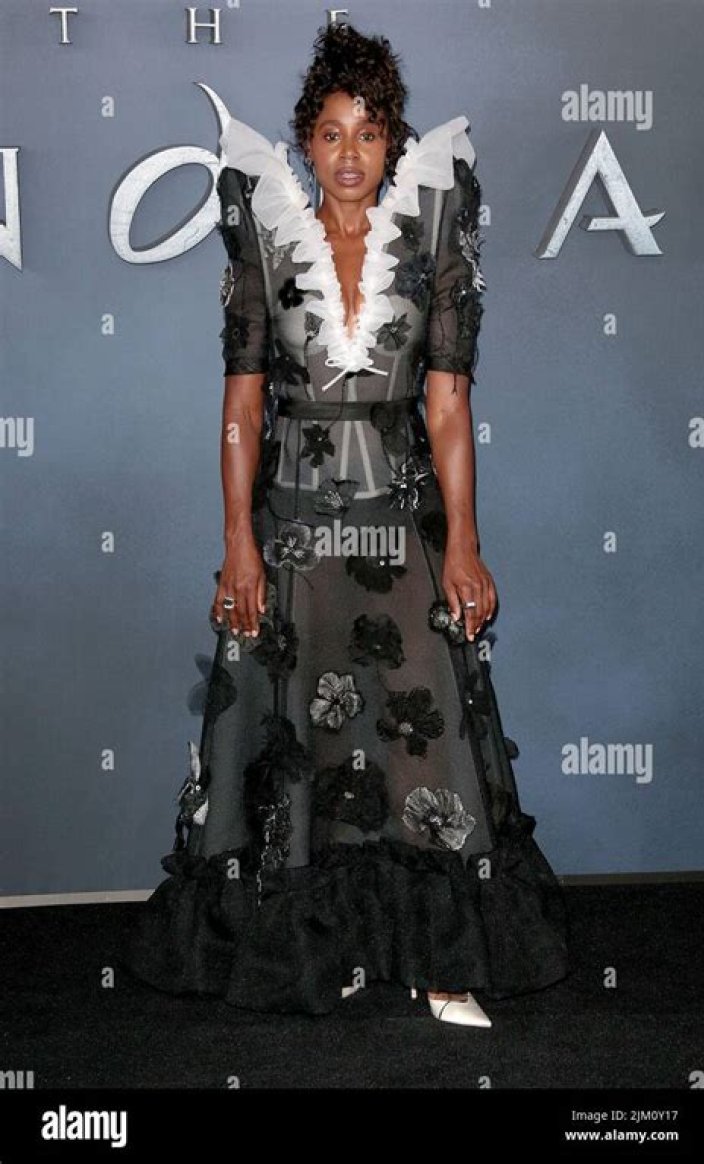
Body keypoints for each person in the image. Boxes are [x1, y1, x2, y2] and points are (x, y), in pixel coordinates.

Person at [126, 22, 570, 1026]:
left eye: (368, 133)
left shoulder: (432, 239)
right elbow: (243, 407)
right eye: (330, 134)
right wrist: (238, 543)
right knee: (298, 749)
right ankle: (314, 954)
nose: (349, 154)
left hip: (400, 526)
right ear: (305, 143)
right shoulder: (266, 238)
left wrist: (465, 541)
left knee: (419, 740)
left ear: (392, 143)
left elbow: (447, 405)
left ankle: (440, 961)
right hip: (290, 532)